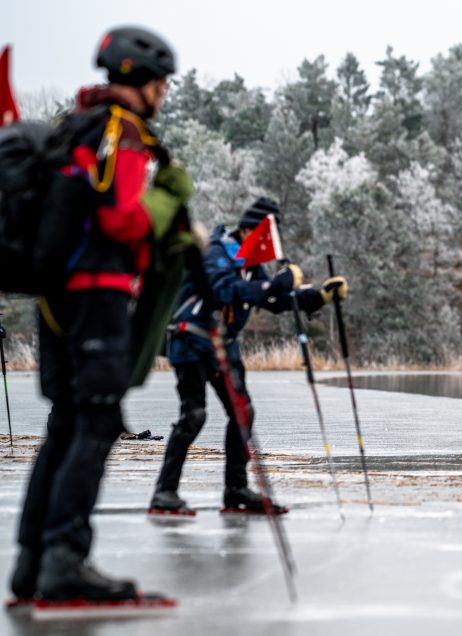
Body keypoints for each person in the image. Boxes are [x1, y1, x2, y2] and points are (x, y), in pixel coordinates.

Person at [10, 27, 189, 603]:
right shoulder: (122, 132)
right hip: (98, 298)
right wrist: (169, 195)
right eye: (161, 83)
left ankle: (32, 564)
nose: (164, 94)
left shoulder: (75, 126)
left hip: (58, 298)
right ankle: (66, 562)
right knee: (94, 425)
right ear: (141, 81)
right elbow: (123, 222)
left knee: (67, 425)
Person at [148, 197, 347, 516]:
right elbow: (226, 291)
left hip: (223, 347)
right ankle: (164, 493)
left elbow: (276, 298)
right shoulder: (216, 252)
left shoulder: (252, 265)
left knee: (243, 411)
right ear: (251, 231)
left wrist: (319, 295)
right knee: (194, 414)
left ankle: (236, 490)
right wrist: (277, 282)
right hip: (191, 340)